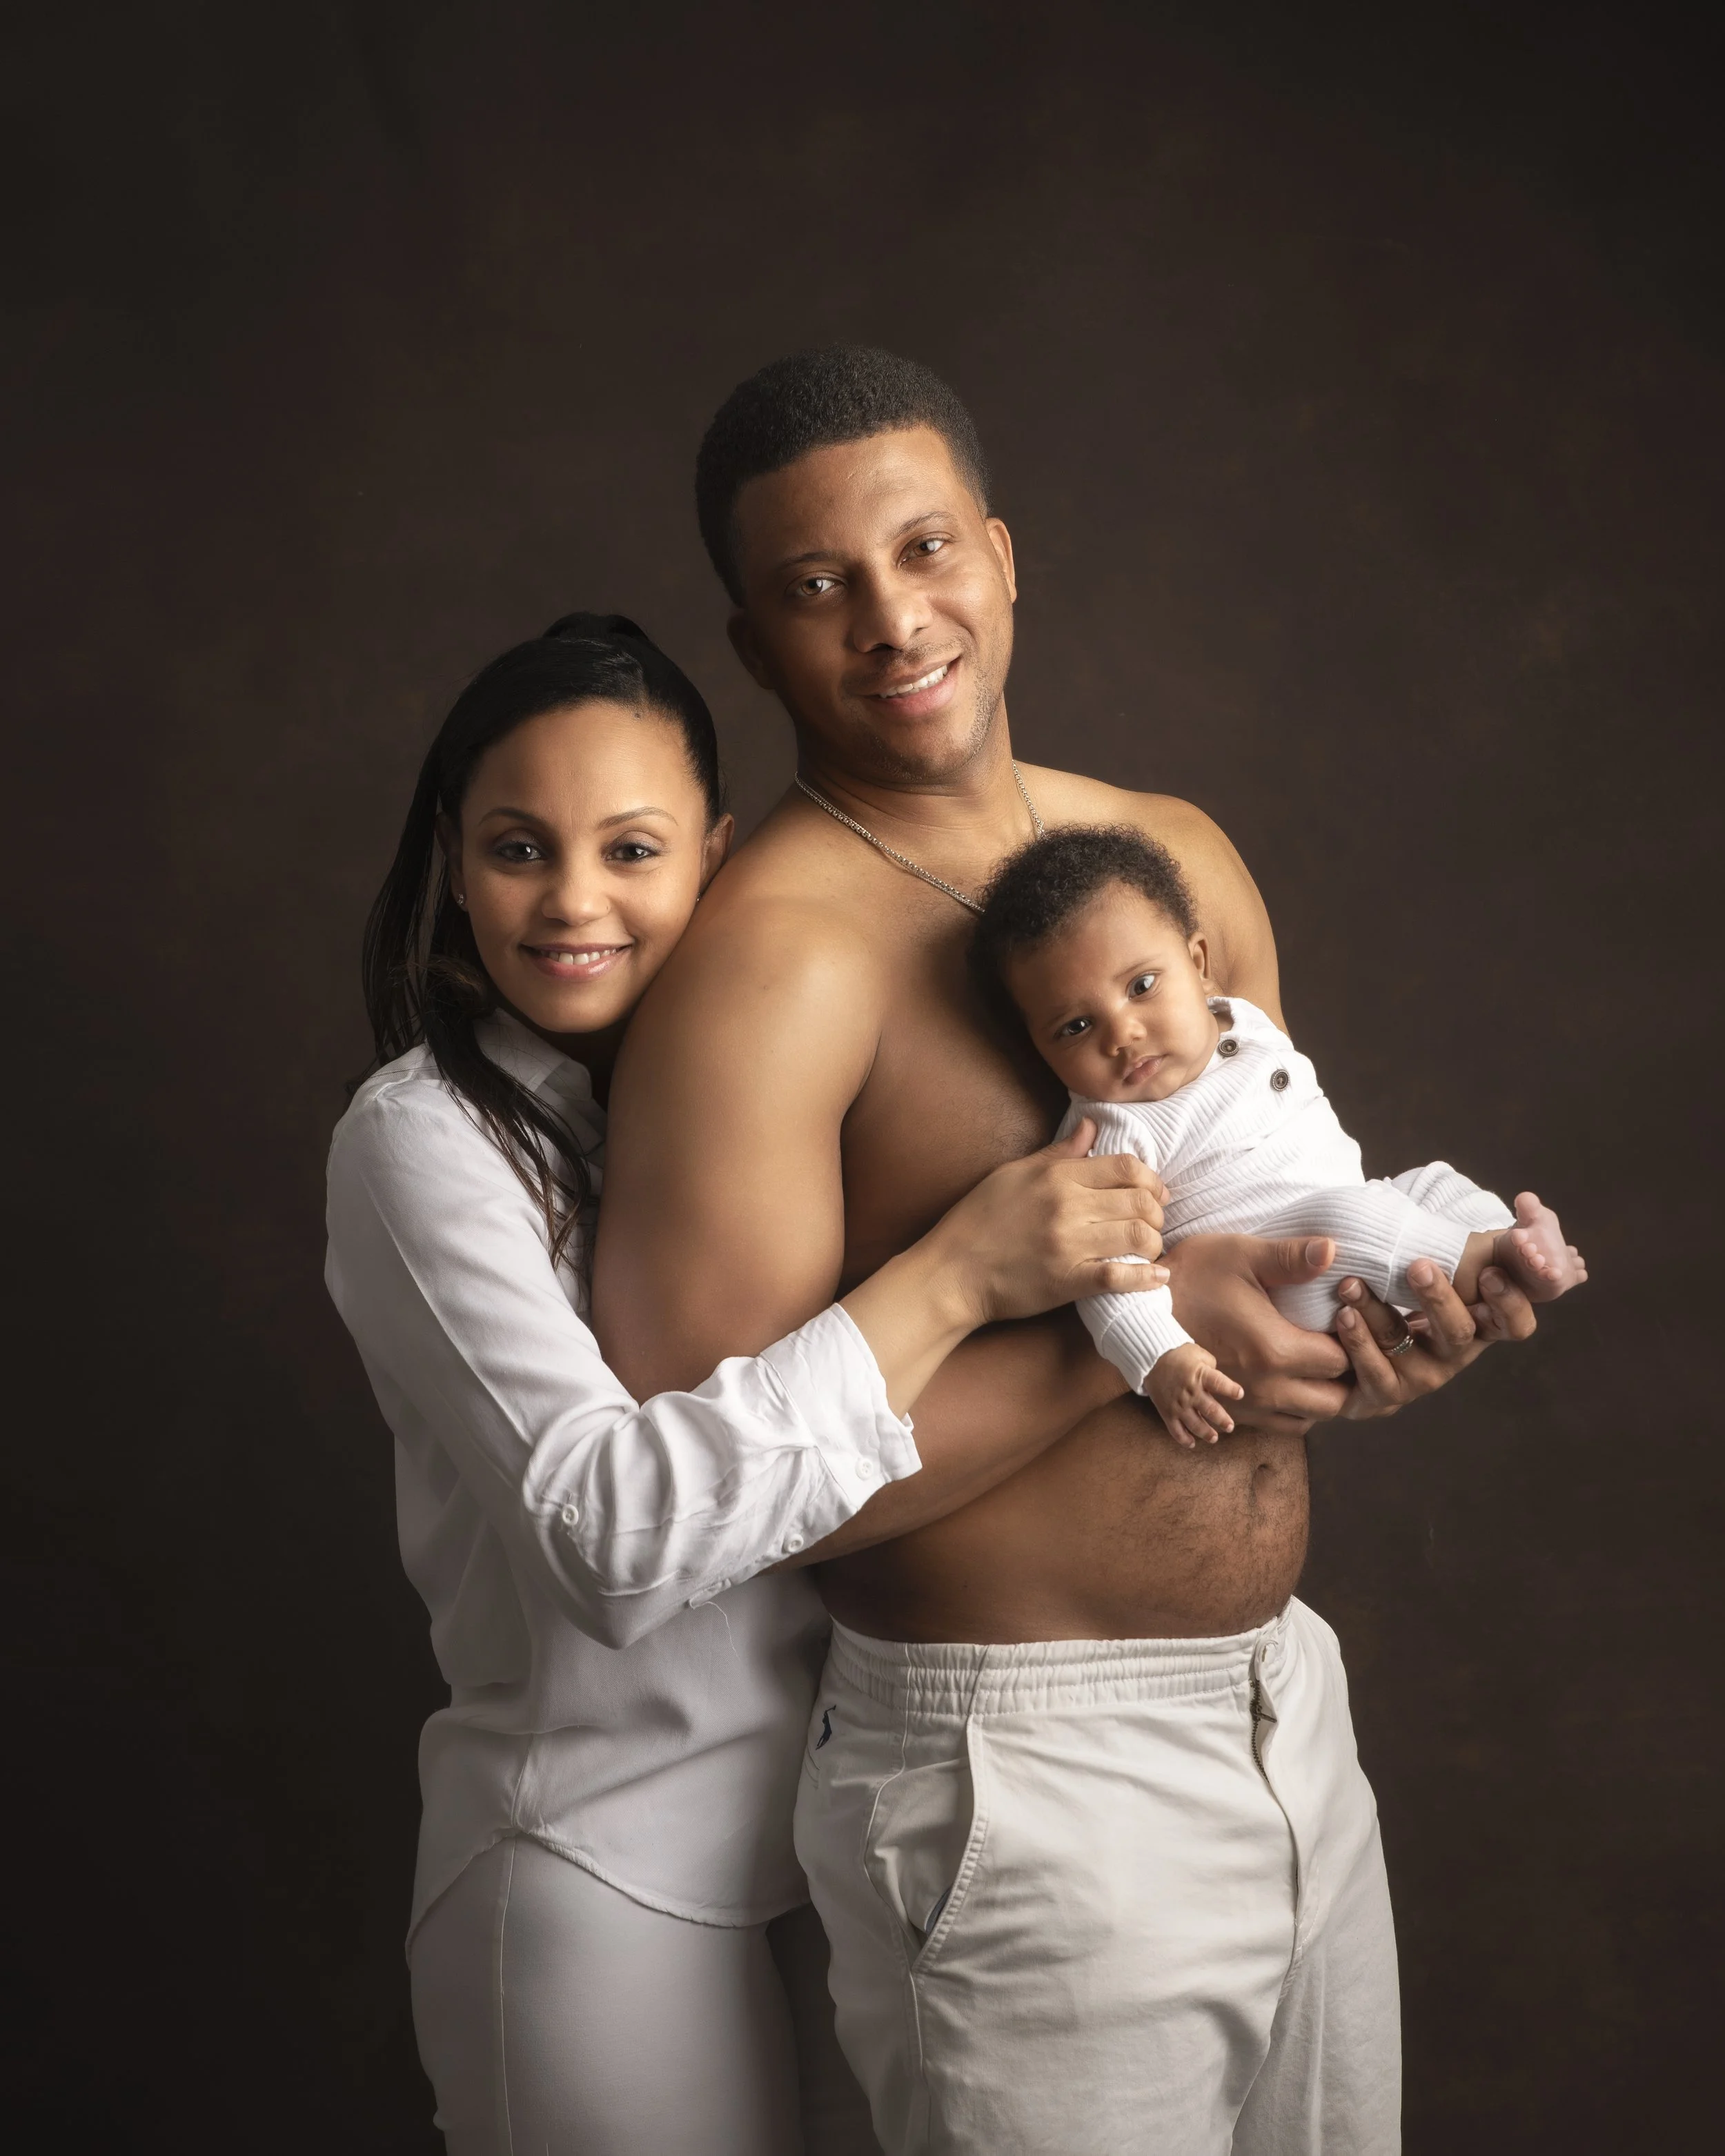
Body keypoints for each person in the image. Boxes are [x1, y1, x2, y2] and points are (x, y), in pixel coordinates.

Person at [593, 350, 1542, 2155]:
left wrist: (1380, 1325)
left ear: (1004, 557)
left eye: (925, 547)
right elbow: (706, 1503)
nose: (891, 619)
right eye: (816, 588)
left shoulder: (1173, 864)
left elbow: (1274, 1220)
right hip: (1017, 1774)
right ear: (752, 646)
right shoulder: (769, 967)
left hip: (1287, 1712)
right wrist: (1113, 1328)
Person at [323, 611, 1166, 2155]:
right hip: (594, 1866)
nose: (575, 900)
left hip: (846, 1839)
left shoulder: (743, 1083)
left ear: (713, 856)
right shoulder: (419, 1139)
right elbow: (607, 1538)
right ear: (451, 854)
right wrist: (963, 1272)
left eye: (630, 849)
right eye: (520, 846)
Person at [971, 822, 1586, 1445]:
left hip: (1367, 1225)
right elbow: (1107, 1275)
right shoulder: (1112, 1132)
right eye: (1075, 1026)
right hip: (1283, 1287)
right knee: (1348, 1216)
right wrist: (1159, 1358)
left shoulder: (1246, 1023)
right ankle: (1490, 1263)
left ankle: (1503, 1247)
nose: (1121, 1034)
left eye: (1141, 986)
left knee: (1432, 1180)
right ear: (1039, 1050)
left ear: (1200, 965)